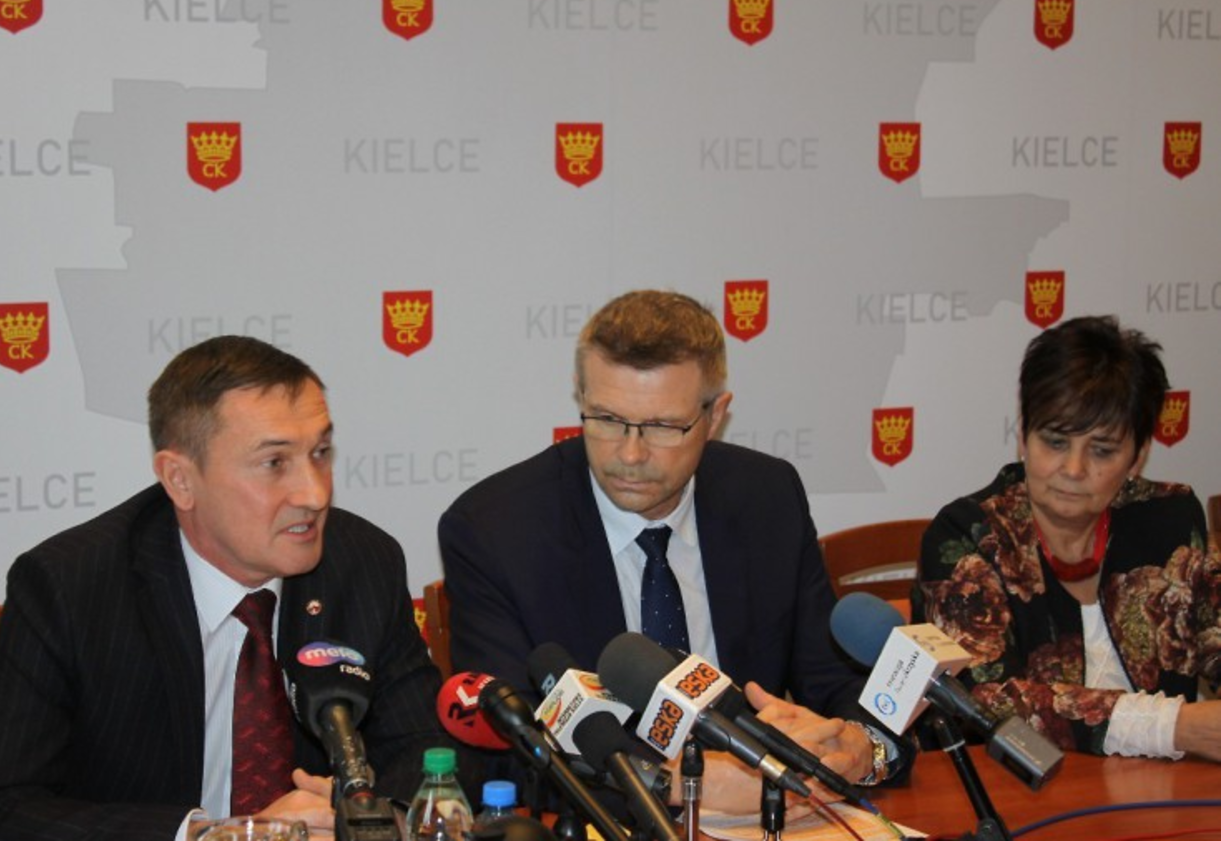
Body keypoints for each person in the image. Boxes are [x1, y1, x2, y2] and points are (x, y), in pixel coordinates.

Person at [0, 336, 463, 841]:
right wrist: (216, 835)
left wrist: (376, 816)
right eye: (274, 463)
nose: (314, 492)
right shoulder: (70, 586)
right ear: (180, 480)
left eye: (321, 452)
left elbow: (426, 752)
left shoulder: (362, 562)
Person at [439, 290, 913, 815]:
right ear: (581, 397)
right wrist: (684, 785)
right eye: (607, 418)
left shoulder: (767, 498)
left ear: (715, 416)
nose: (630, 453)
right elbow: (511, 753)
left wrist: (860, 748)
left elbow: (835, 681)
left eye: (663, 427)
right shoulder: (497, 531)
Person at [914, 315, 1221, 762]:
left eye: (1102, 450)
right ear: (1023, 436)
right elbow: (985, 703)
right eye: (1056, 442)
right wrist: (1174, 727)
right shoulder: (968, 537)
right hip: (1022, 792)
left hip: (1167, 792)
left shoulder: (1169, 519)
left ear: (1138, 456)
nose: (1074, 470)